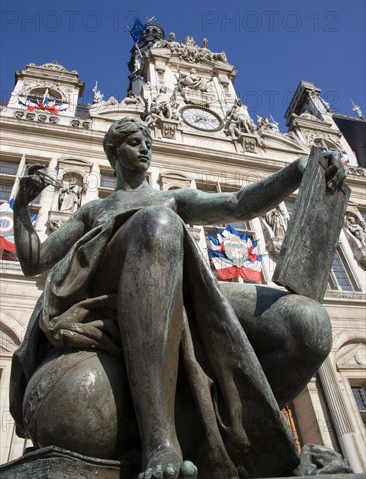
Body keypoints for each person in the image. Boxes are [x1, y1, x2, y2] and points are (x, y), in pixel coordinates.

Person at [11, 117, 346, 479]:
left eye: (149, 143)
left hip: (184, 292)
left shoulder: (171, 198)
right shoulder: (94, 210)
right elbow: (34, 261)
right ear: (114, 151)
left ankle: (243, 445)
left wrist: (296, 172)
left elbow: (238, 204)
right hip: (112, 302)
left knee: (307, 324)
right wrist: (21, 210)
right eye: (136, 141)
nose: (146, 148)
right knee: (159, 223)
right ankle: (160, 442)